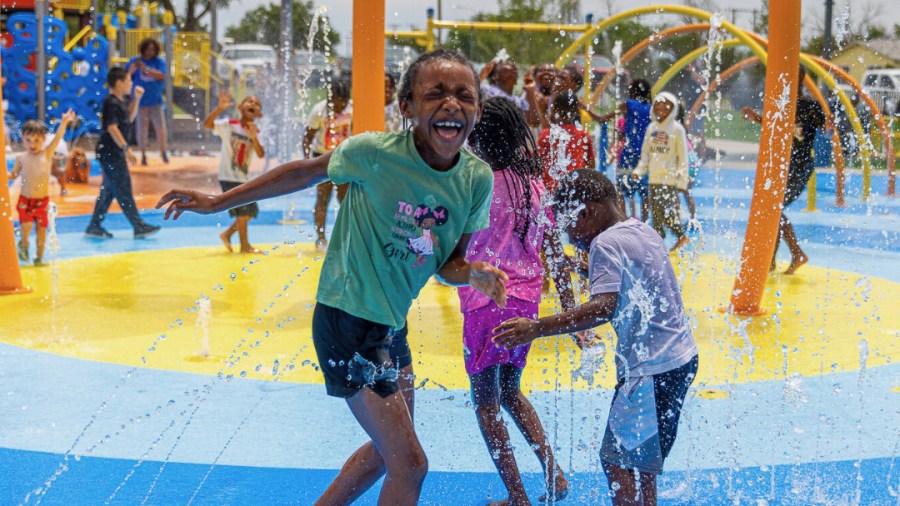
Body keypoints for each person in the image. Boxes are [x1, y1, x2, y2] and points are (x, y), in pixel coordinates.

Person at [156, 49, 508, 506]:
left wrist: (473, 274)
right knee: (411, 464)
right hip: (346, 321)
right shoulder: (374, 154)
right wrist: (218, 202)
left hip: (389, 326)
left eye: (464, 95)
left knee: (389, 454)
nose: (451, 104)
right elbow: (303, 172)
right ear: (407, 107)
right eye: (435, 94)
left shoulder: (476, 180)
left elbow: (448, 265)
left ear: (477, 110)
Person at [493, 169, 699, 506]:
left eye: (569, 227)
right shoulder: (640, 229)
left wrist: (537, 327)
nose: (571, 239)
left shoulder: (604, 243)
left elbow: (604, 308)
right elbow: (639, 275)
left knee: (617, 460)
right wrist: (585, 268)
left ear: (586, 212)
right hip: (678, 359)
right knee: (639, 462)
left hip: (650, 369)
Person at [462, 97, 576, 506]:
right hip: (526, 300)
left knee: (486, 404)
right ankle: (554, 475)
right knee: (511, 391)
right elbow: (555, 253)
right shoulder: (535, 185)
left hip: (484, 298)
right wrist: (569, 311)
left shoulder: (475, 182)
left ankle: (517, 498)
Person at [741, 65, 825, 274]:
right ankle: (770, 260)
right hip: (782, 166)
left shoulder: (809, 106)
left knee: (773, 209)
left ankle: (796, 253)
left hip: (799, 165)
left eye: (788, 77)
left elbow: (815, 127)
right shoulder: (780, 103)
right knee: (771, 210)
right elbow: (776, 126)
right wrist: (757, 118)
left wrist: (825, 123)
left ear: (800, 79)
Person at [84, 67, 160, 239]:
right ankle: (138, 226)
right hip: (111, 153)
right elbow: (112, 128)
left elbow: (130, 119)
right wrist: (126, 148)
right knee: (123, 188)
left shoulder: (118, 101)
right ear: (119, 83)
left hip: (112, 152)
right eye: (128, 81)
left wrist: (138, 99)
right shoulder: (110, 102)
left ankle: (94, 226)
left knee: (109, 190)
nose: (131, 84)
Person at [10, 110, 75, 266]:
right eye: (28, 140)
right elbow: (12, 175)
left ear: (43, 140)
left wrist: (64, 122)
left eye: (36, 140)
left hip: (42, 202)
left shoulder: (47, 154)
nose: (32, 144)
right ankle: (24, 244)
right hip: (25, 200)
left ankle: (39, 258)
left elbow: (59, 136)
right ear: (23, 139)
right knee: (25, 227)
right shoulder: (21, 158)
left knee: (41, 231)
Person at [204, 90, 265, 254]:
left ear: (259, 114)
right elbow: (208, 124)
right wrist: (219, 109)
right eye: (249, 101)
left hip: (243, 178)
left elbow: (261, 154)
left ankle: (227, 235)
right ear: (239, 107)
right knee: (244, 211)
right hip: (228, 175)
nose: (253, 104)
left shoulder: (256, 132)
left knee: (250, 211)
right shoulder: (229, 124)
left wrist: (253, 137)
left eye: (256, 104)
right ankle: (244, 246)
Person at [632, 92, 690, 252]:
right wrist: (639, 170)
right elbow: (645, 153)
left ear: (673, 108)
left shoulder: (677, 129)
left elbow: (683, 157)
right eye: (658, 104)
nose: (662, 108)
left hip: (669, 179)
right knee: (656, 213)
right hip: (653, 178)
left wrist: (682, 181)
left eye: (667, 105)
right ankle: (659, 242)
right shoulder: (652, 128)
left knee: (665, 211)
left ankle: (681, 235)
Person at [589, 79, 653, 219]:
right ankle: (645, 223)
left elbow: (603, 119)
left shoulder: (628, 104)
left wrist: (585, 109)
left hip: (628, 154)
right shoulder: (652, 108)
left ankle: (624, 221)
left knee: (621, 192)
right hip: (646, 156)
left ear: (632, 91)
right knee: (644, 194)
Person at [303, 80, 352, 252]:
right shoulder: (319, 110)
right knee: (323, 199)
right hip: (322, 158)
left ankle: (346, 236)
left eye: (344, 101)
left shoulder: (352, 109)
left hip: (345, 158)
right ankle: (321, 238)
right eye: (338, 101)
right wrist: (307, 161)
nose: (341, 105)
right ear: (331, 99)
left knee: (345, 200)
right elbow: (308, 137)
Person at [537, 90, 596, 194]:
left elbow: (538, 163)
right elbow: (591, 166)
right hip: (575, 190)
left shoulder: (545, 134)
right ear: (577, 111)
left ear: (554, 110)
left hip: (551, 190)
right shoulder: (583, 136)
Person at [127, 38, 168, 165]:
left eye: (153, 49)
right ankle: (143, 154)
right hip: (141, 102)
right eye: (148, 49)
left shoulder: (159, 62)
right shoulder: (135, 61)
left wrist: (146, 69)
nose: (150, 52)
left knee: (160, 128)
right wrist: (133, 69)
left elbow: (162, 75)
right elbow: (127, 77)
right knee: (142, 129)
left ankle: (163, 151)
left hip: (156, 101)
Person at [676, 103, 699, 221]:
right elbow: (694, 111)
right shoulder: (685, 126)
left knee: (674, 192)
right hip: (692, 163)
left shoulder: (671, 128)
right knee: (686, 192)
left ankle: (677, 219)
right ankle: (693, 217)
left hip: (683, 163)